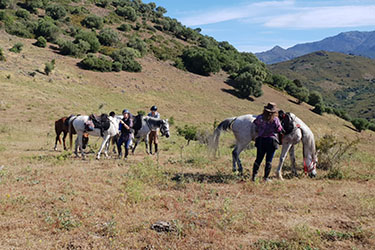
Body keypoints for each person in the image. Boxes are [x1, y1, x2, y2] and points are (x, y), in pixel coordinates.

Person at [252, 102, 284, 182]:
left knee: (258, 159)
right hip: (271, 141)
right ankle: (265, 178)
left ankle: (253, 177)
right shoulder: (275, 119)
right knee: (269, 160)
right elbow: (279, 129)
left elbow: (255, 123)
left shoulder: (260, 117)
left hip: (261, 140)